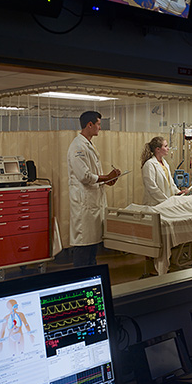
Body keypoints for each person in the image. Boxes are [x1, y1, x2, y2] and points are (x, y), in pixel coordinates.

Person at [67, 111, 120, 267]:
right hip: (84, 205)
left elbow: (94, 175)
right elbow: (84, 175)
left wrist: (107, 180)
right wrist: (106, 177)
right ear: (89, 125)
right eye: (98, 124)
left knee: (92, 249)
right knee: (83, 247)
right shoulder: (77, 146)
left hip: (93, 202)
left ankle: (92, 280)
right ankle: (80, 282)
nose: (99, 127)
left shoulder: (88, 144)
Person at [141, 136, 184, 205]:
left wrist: (178, 192)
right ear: (158, 149)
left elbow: (171, 183)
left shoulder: (164, 163)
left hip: (166, 203)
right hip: (154, 204)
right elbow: (152, 187)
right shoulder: (149, 164)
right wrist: (165, 201)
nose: (168, 148)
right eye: (166, 146)